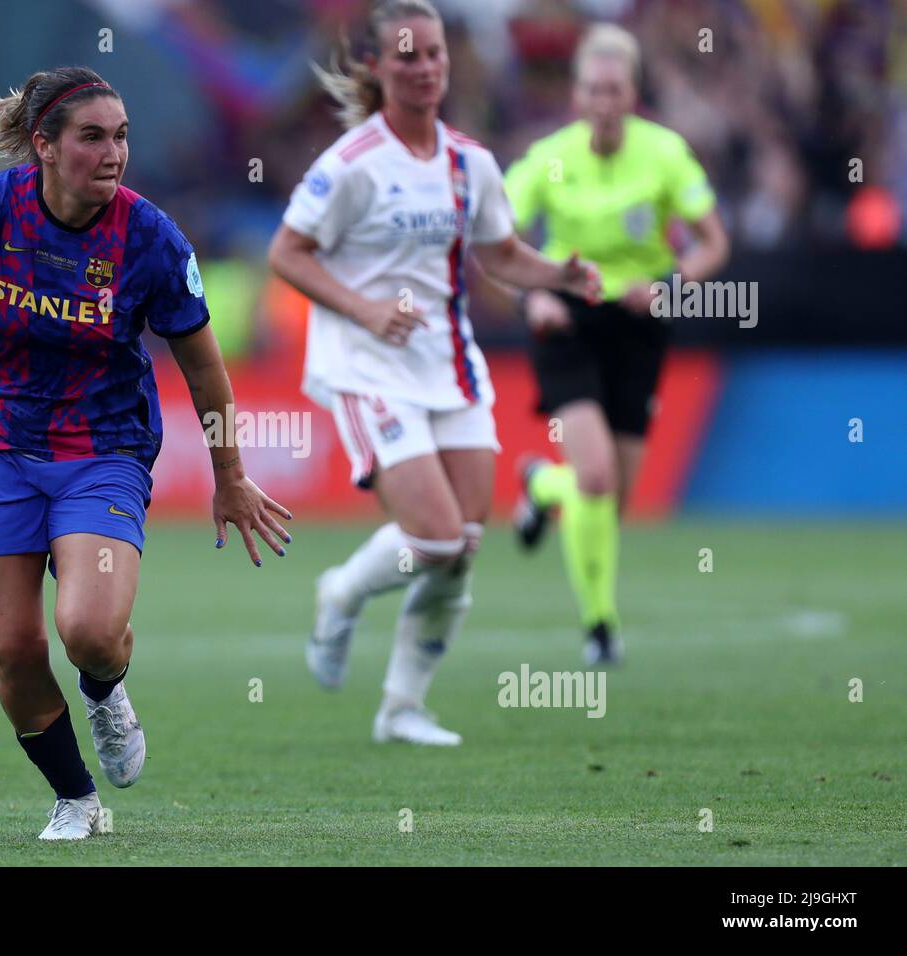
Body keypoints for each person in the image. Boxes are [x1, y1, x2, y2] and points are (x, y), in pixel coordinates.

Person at [0, 67, 292, 840]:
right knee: (15, 650)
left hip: (104, 448)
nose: (113, 152)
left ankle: (105, 690)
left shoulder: (151, 238)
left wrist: (231, 475)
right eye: (93, 137)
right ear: (46, 147)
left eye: (121, 136)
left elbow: (204, 368)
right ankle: (78, 800)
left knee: (89, 631)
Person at [267, 0, 599, 746]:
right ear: (379, 67)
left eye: (435, 55)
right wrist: (365, 309)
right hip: (366, 366)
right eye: (408, 56)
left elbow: (501, 254)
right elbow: (287, 253)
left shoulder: (468, 162)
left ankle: (401, 708)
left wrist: (561, 276)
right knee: (439, 539)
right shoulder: (351, 164)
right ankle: (342, 592)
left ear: (450, 62)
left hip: (449, 366)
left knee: (464, 546)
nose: (423, 68)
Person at [503, 24, 730, 666]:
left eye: (615, 89)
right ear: (576, 95)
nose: (604, 101)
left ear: (633, 94)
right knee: (597, 478)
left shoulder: (665, 154)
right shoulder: (547, 158)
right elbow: (495, 241)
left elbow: (713, 243)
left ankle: (543, 488)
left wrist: (669, 284)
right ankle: (600, 627)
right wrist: (534, 297)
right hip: (567, 320)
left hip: (639, 325)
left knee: (611, 500)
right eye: (593, 89)